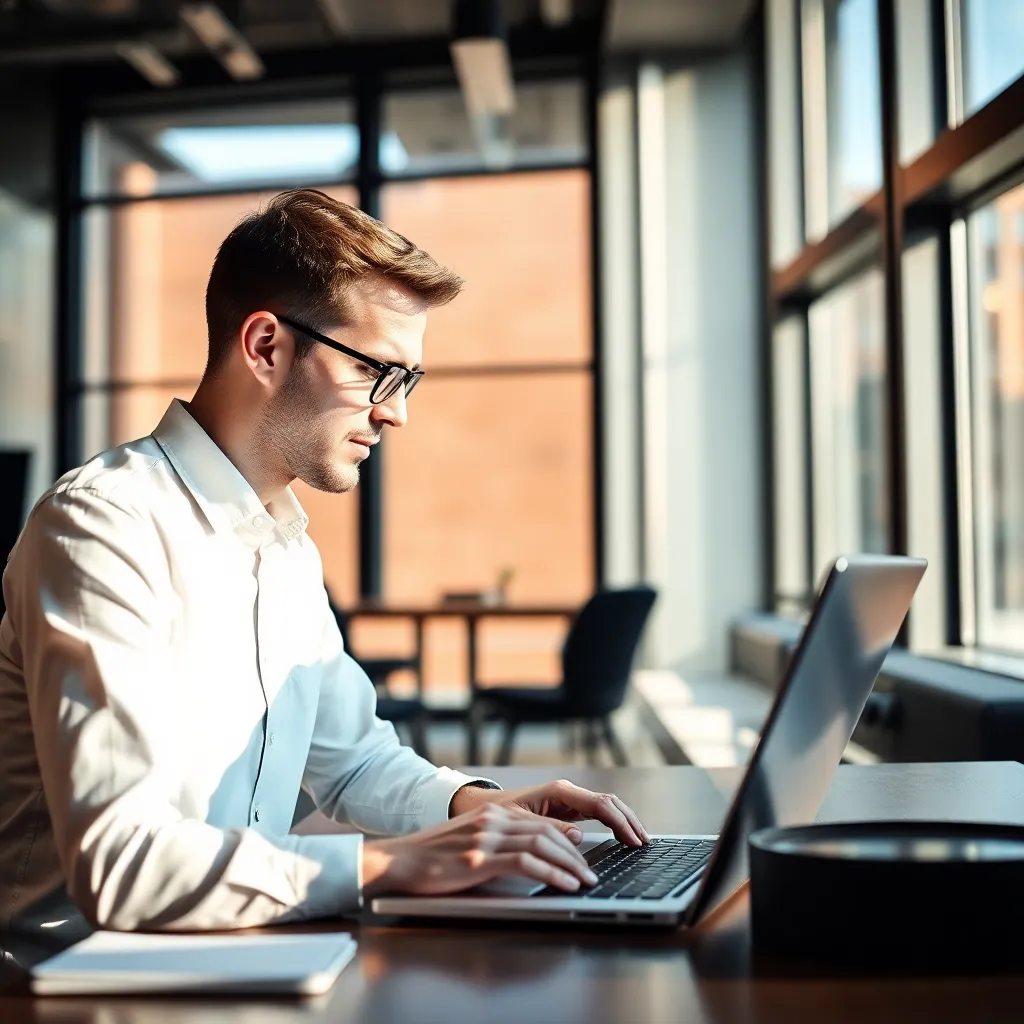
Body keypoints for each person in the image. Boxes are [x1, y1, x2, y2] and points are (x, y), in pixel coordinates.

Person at [0, 189, 648, 939]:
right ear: (267, 346)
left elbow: (354, 763)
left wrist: (482, 808)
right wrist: (387, 865)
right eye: (378, 370)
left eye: (407, 380)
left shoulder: (284, 549)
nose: (396, 411)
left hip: (235, 954)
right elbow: (123, 862)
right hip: (74, 976)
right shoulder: (102, 528)